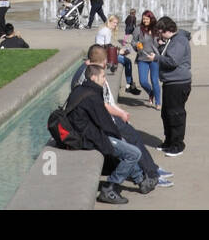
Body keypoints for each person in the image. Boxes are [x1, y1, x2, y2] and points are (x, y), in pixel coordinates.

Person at [64, 63, 156, 203]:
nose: (105, 79)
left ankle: (141, 181)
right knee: (133, 153)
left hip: (86, 134)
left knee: (126, 148)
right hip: (88, 139)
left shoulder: (81, 89)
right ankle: (109, 188)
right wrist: (119, 137)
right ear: (93, 77)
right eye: (103, 76)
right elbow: (105, 123)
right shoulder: (92, 96)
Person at [156, 16, 192, 156]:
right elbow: (167, 55)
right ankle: (169, 140)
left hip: (178, 83)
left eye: (160, 31)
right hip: (171, 82)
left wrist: (156, 58)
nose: (159, 34)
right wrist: (161, 46)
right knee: (166, 113)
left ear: (167, 30)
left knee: (175, 114)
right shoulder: (171, 40)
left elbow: (173, 61)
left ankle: (178, 144)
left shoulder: (179, 40)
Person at [135, 10, 163, 110]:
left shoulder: (156, 29)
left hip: (154, 58)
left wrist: (161, 42)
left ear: (151, 19)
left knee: (155, 81)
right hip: (142, 58)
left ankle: (158, 102)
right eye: (143, 19)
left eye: (146, 19)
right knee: (142, 81)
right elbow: (133, 41)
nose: (145, 20)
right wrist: (136, 45)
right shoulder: (138, 29)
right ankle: (151, 93)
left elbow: (163, 39)